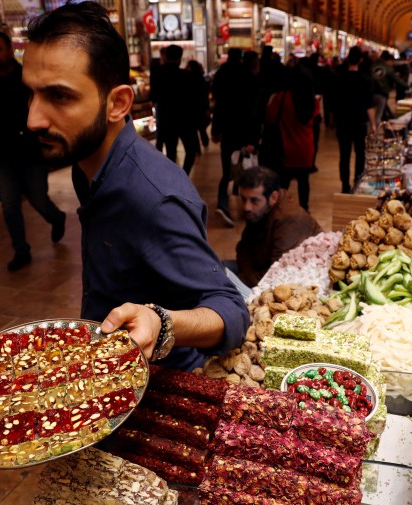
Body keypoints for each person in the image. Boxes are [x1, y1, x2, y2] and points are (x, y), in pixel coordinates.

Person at [23, 1, 249, 367]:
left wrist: (162, 323)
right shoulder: (89, 167)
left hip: (154, 390)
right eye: (30, 94)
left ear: (118, 103)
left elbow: (230, 310)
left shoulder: (153, 197)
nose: (33, 118)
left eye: (59, 96)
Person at [0, 31, 66, 271]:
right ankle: (21, 250)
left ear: (8, 51)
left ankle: (57, 218)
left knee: (39, 199)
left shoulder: (25, 78)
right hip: (4, 154)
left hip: (30, 152)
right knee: (9, 205)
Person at [228, 167, 321, 288]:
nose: (246, 207)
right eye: (244, 199)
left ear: (273, 197)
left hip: (287, 282)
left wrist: (238, 280)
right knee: (216, 269)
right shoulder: (259, 210)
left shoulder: (289, 219)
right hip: (261, 267)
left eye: (254, 200)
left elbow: (276, 275)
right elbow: (244, 250)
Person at [211, 48, 260, 227]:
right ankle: (247, 207)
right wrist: (253, 139)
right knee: (245, 170)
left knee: (227, 170)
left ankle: (223, 204)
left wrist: (215, 130)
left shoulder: (221, 75)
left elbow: (218, 105)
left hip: (228, 131)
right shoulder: (249, 78)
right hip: (244, 131)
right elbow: (254, 112)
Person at [264, 63, 319, 211]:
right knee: (304, 182)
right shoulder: (313, 101)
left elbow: (270, 119)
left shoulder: (281, 98)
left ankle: (281, 212)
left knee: (283, 184)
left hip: (286, 149)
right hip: (306, 149)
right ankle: (304, 210)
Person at [332, 46, 375, 194]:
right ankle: (357, 182)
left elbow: (333, 102)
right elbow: (369, 105)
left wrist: (333, 120)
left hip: (343, 123)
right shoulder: (365, 79)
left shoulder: (339, 77)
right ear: (361, 60)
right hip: (359, 123)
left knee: (344, 155)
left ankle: (344, 184)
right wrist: (373, 124)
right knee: (360, 154)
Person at [152, 45, 201, 175]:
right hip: (185, 120)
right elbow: (194, 98)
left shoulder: (158, 74)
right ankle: (184, 175)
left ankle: (172, 179)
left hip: (167, 119)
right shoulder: (186, 76)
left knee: (171, 152)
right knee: (190, 150)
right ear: (180, 58)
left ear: (166, 56)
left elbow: (154, 96)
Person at [371, 50, 407, 129]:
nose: (393, 64)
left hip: (371, 93)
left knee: (371, 114)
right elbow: (396, 79)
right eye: (392, 62)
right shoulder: (388, 69)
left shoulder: (373, 66)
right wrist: (407, 86)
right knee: (378, 115)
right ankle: (375, 132)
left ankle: (371, 131)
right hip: (382, 94)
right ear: (389, 60)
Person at [185, 59, 211, 150]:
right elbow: (205, 95)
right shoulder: (201, 79)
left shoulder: (187, 79)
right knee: (201, 127)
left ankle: (197, 147)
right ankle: (204, 141)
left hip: (191, 107)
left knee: (194, 128)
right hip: (201, 107)